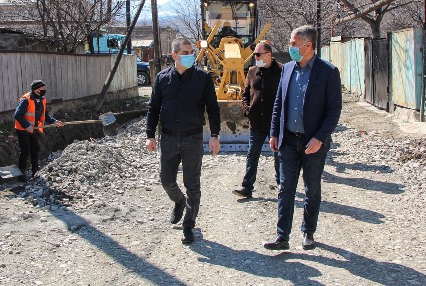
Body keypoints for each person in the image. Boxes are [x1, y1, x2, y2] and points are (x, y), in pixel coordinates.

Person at [263, 25, 342, 251]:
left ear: (308, 45)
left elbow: (333, 110)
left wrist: (319, 138)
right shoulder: (287, 69)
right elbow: (279, 103)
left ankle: (308, 232)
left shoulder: (328, 72)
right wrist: (274, 132)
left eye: (294, 43)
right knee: (285, 188)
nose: (290, 48)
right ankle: (282, 236)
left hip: (313, 143)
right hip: (288, 141)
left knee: (311, 188)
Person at [146, 37, 221, 245]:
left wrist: (214, 135)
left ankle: (189, 225)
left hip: (192, 139)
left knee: (193, 185)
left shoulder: (202, 79)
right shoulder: (162, 79)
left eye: (192, 53)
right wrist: (150, 135)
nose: (190, 57)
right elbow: (153, 108)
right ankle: (179, 201)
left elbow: (213, 109)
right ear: (174, 55)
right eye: (185, 53)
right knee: (166, 180)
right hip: (168, 138)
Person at [233, 41, 282, 199]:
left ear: (268, 55)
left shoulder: (282, 70)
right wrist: (247, 110)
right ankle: (247, 187)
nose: (255, 57)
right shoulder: (252, 71)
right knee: (252, 154)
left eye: (258, 54)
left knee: (278, 155)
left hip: (275, 124)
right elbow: (245, 94)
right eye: (254, 54)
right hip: (256, 123)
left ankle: (282, 184)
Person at [13, 80, 64, 182]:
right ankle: (21, 173)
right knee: (25, 151)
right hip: (23, 130)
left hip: (34, 130)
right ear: (36, 90)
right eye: (42, 90)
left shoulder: (42, 99)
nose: (44, 91)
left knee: (35, 149)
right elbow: (17, 115)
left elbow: (45, 115)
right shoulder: (26, 100)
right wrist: (27, 126)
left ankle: (35, 171)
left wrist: (54, 121)